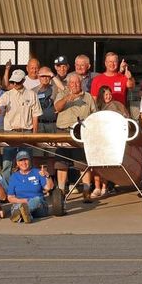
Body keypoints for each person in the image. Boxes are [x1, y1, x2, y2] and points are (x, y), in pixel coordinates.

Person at [53, 72, 97, 203]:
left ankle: (86, 191)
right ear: (68, 84)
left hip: (81, 133)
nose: (75, 85)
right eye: (72, 83)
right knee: (61, 163)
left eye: (77, 82)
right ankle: (61, 192)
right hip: (63, 132)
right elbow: (56, 108)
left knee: (83, 164)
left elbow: (94, 114)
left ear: (81, 83)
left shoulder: (88, 97)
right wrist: (67, 98)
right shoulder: (62, 94)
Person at [0, 69, 41, 177]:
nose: (15, 84)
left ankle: (27, 188)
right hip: (10, 132)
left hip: (26, 132)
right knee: (7, 164)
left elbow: (35, 115)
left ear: (23, 80)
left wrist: (34, 135)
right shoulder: (7, 95)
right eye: (13, 82)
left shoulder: (32, 94)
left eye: (18, 82)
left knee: (27, 163)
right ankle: (7, 190)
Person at [6, 150, 54, 223]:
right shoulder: (14, 177)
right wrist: (25, 201)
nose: (24, 163)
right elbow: (10, 198)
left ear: (30, 160)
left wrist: (47, 176)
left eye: (25, 160)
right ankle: (27, 215)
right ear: (17, 163)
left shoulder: (37, 172)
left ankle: (21, 214)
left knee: (37, 199)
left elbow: (48, 187)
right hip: (21, 203)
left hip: (39, 206)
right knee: (17, 206)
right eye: (21, 160)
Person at [34, 67, 59, 133]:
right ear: (38, 77)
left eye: (47, 76)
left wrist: (52, 75)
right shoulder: (33, 91)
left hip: (53, 124)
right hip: (39, 124)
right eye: (43, 76)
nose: (45, 78)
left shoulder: (55, 88)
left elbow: (63, 89)